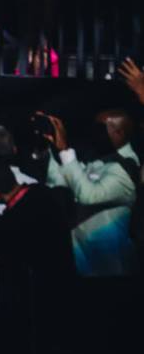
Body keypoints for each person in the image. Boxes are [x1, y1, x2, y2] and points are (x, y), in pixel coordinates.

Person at [41, 111, 139, 276]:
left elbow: (88, 195)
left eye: (100, 129)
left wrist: (65, 150)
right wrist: (50, 148)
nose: (93, 133)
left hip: (111, 268)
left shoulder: (127, 167)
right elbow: (60, 185)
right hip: (83, 261)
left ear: (119, 133)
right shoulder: (97, 160)